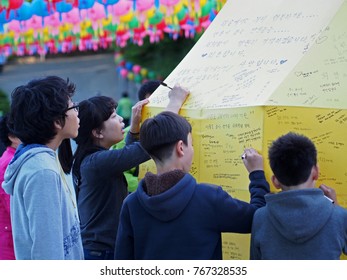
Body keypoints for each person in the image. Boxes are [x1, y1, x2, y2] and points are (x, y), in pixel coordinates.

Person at [114, 111, 270, 260]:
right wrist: (256, 174)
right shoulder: (209, 198)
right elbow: (257, 218)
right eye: (192, 144)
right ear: (181, 147)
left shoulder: (132, 203)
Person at [70, 85, 189, 260]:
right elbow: (152, 144)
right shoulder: (97, 163)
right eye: (113, 116)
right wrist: (175, 101)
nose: (119, 119)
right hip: (102, 255)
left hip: (98, 250)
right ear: (97, 132)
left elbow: (127, 155)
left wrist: (134, 130)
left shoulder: (91, 159)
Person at [1, 76, 84, 260]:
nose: (77, 112)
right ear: (56, 121)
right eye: (73, 107)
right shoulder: (41, 172)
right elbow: (48, 254)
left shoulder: (40, 162)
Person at [250, 132, 347, 260]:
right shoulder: (339, 216)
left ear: (275, 181)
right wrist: (335, 207)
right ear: (316, 173)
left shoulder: (260, 217)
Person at [113, 80, 161, 193]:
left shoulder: (180, 128)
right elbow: (123, 173)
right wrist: (148, 186)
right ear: (141, 105)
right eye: (152, 105)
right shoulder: (125, 136)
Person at [0, 114, 21, 260]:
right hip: (10, 244)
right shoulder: (10, 162)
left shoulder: (11, 158)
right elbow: (14, 210)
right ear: (12, 137)